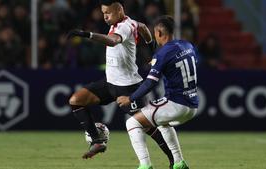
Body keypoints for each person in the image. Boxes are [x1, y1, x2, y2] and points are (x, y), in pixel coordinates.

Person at [67, 1, 175, 167]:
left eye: (108, 13)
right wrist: (151, 45)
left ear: (118, 10)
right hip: (110, 83)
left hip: (129, 86)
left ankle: (174, 158)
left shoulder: (124, 26)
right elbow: (143, 27)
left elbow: (112, 41)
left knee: (149, 127)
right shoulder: (130, 23)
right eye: (103, 13)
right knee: (76, 101)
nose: (105, 16)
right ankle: (97, 140)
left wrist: (87, 35)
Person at [117, 15, 199, 169]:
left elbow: (150, 83)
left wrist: (131, 98)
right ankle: (179, 163)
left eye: (155, 33)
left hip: (176, 103)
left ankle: (145, 165)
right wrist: (158, 63)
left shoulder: (163, 53)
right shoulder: (188, 45)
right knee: (162, 123)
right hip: (193, 105)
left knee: (132, 122)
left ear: (159, 33)